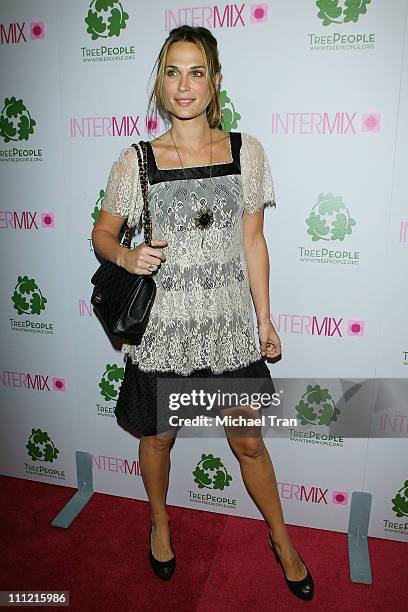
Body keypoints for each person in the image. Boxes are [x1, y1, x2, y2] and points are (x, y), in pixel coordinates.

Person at [92, 25, 314, 601]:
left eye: (196, 72)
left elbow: (254, 244)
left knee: (248, 444)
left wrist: (264, 319)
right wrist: (126, 254)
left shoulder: (246, 152)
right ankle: (160, 521)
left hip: (228, 330)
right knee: (159, 439)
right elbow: (103, 234)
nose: (184, 84)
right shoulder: (137, 160)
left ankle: (281, 539)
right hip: (164, 333)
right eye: (172, 72)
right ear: (160, 85)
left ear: (215, 83)